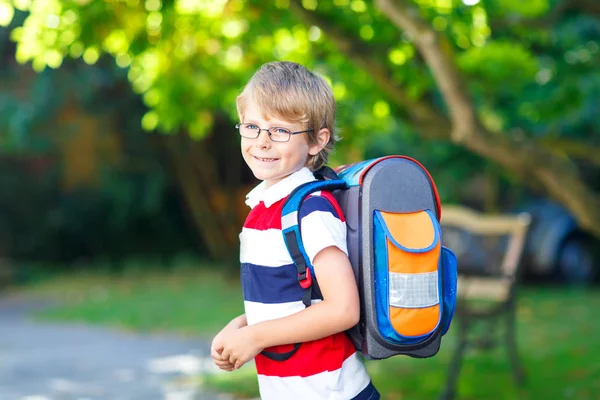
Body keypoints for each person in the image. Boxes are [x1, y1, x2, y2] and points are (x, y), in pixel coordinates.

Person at [210, 61, 380, 400]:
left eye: (280, 131)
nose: (262, 142)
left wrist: (256, 337)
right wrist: (242, 327)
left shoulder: (310, 210)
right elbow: (293, 301)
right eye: (252, 126)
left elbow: (343, 309)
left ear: (317, 141)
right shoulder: (263, 208)